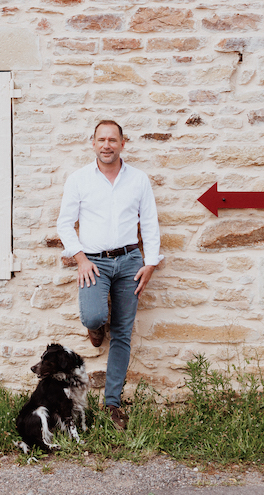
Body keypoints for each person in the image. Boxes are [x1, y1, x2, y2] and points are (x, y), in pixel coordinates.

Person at [56, 119, 163, 430]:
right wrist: (80, 259)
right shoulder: (79, 180)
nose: (107, 145)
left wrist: (151, 263)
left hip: (130, 261)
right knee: (92, 316)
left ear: (122, 143)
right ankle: (95, 328)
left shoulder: (139, 180)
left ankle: (113, 403)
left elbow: (151, 223)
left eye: (112, 140)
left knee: (123, 333)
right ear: (93, 144)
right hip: (93, 263)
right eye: (101, 140)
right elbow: (65, 223)